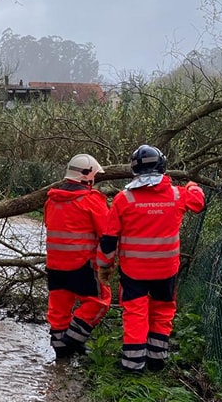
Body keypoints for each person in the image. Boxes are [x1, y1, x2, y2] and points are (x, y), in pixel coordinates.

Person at [96, 144, 205, 373]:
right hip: (166, 270)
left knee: (135, 312)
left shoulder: (123, 199)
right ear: (162, 166)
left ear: (134, 169)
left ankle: (133, 363)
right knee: (163, 310)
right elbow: (198, 202)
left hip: (134, 271)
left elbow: (108, 240)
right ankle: (157, 360)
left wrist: (105, 267)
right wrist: (193, 185)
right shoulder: (177, 194)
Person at [44, 153, 111, 359]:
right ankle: (72, 340)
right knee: (100, 301)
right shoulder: (92, 201)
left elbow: (50, 225)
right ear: (87, 176)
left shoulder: (51, 199)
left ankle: (60, 351)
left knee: (58, 307)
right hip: (82, 265)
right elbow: (107, 232)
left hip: (54, 265)